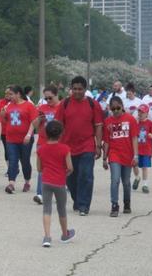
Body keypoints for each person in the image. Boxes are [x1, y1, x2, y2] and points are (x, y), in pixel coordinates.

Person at [55, 76, 103, 216]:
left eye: (80, 89)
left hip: (87, 146)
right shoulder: (64, 104)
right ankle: (77, 199)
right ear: (71, 89)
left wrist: (98, 145)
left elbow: (98, 126)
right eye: (74, 89)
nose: (77, 92)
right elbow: (58, 126)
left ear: (85, 89)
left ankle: (84, 205)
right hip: (68, 147)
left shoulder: (93, 104)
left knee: (86, 175)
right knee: (70, 178)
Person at [37, 120, 75, 247]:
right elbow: (70, 167)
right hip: (59, 182)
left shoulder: (41, 149)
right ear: (61, 134)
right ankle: (65, 234)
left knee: (47, 209)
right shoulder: (65, 149)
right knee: (61, 209)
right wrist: (65, 172)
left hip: (46, 181)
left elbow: (39, 168)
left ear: (46, 133)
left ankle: (47, 237)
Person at [102, 96, 138, 217]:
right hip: (114, 154)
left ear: (122, 106)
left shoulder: (130, 119)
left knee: (126, 182)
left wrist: (136, 155)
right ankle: (114, 205)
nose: (116, 111)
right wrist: (104, 158)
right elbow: (106, 141)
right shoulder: (107, 122)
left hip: (127, 155)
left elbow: (134, 138)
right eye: (113, 109)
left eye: (118, 108)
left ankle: (127, 203)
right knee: (115, 180)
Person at [1, 85, 37, 194]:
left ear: (18, 94)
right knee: (12, 160)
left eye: (11, 94)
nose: (9, 97)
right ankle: (11, 183)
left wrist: (29, 134)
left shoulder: (29, 106)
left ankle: (27, 181)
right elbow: (5, 120)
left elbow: (34, 121)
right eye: (8, 95)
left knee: (25, 161)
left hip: (25, 139)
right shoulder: (9, 105)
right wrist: (3, 114)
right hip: (11, 138)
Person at [30, 85, 61, 205]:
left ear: (56, 95)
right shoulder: (42, 107)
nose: (48, 101)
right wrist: (39, 119)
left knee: (57, 169)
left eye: (50, 98)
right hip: (43, 141)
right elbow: (36, 126)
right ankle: (41, 194)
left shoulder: (62, 107)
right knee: (41, 169)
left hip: (57, 142)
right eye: (46, 98)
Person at [133, 104, 152, 194]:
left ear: (147, 113)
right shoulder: (135, 122)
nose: (140, 113)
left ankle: (145, 185)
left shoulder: (150, 123)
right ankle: (137, 177)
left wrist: (151, 135)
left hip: (146, 149)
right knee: (134, 165)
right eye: (139, 111)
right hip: (136, 149)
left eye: (142, 112)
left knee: (144, 167)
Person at [0, 86, 12, 175]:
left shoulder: (16, 103)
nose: (7, 95)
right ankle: (10, 168)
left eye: (9, 93)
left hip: (13, 130)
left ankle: (14, 166)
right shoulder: (0, 102)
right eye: (6, 93)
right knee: (7, 149)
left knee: (13, 150)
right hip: (4, 130)